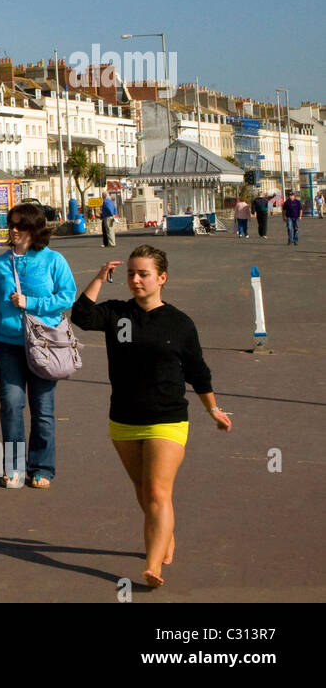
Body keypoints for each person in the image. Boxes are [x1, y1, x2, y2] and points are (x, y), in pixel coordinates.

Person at [71, 245, 232, 588]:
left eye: (143, 274)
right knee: (143, 489)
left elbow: (198, 372)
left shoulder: (179, 322)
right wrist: (100, 278)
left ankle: (153, 564)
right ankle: (166, 534)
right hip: (124, 418)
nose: (135, 280)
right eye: (131, 273)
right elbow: (81, 316)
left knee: (158, 491)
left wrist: (213, 409)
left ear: (162, 278)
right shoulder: (118, 314)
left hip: (167, 418)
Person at [0, 202, 77, 489]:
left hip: (44, 342)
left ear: (34, 230)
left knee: (43, 408)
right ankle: (14, 466)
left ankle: (42, 466)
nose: (13, 230)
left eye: (20, 225)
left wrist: (32, 303)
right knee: (11, 404)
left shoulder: (53, 261)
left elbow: (67, 296)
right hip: (8, 343)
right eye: (10, 224)